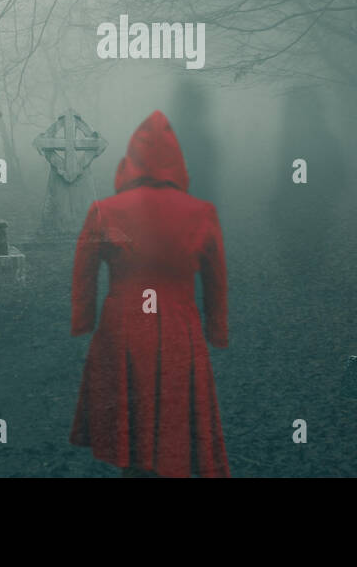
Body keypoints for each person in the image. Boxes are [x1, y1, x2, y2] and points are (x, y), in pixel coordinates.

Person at [69, 110, 229, 478]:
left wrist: (83, 321)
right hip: (179, 328)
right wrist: (216, 330)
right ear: (176, 161)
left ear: (132, 159)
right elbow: (216, 280)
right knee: (173, 413)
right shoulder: (202, 213)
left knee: (132, 417)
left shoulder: (103, 211)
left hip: (122, 328)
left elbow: (84, 273)